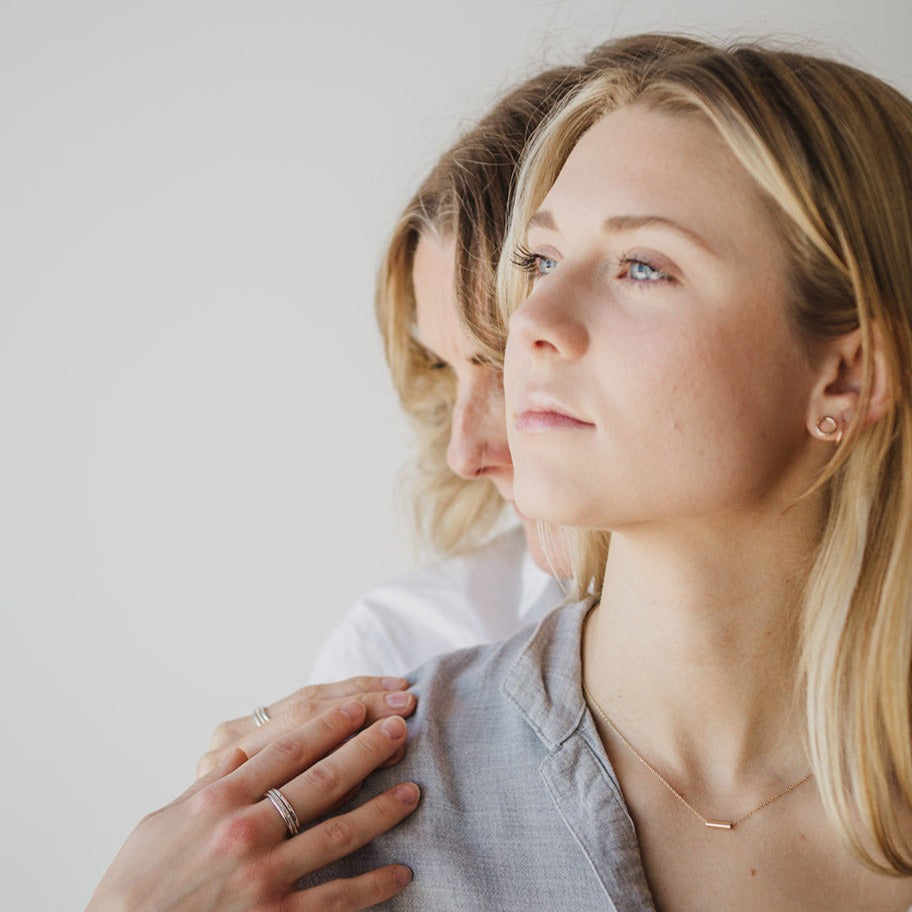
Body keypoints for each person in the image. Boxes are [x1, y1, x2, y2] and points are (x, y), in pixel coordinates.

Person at [297, 36, 912, 910]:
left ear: (846, 376)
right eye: (540, 262)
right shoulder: (371, 803)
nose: (536, 319)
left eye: (642, 267)